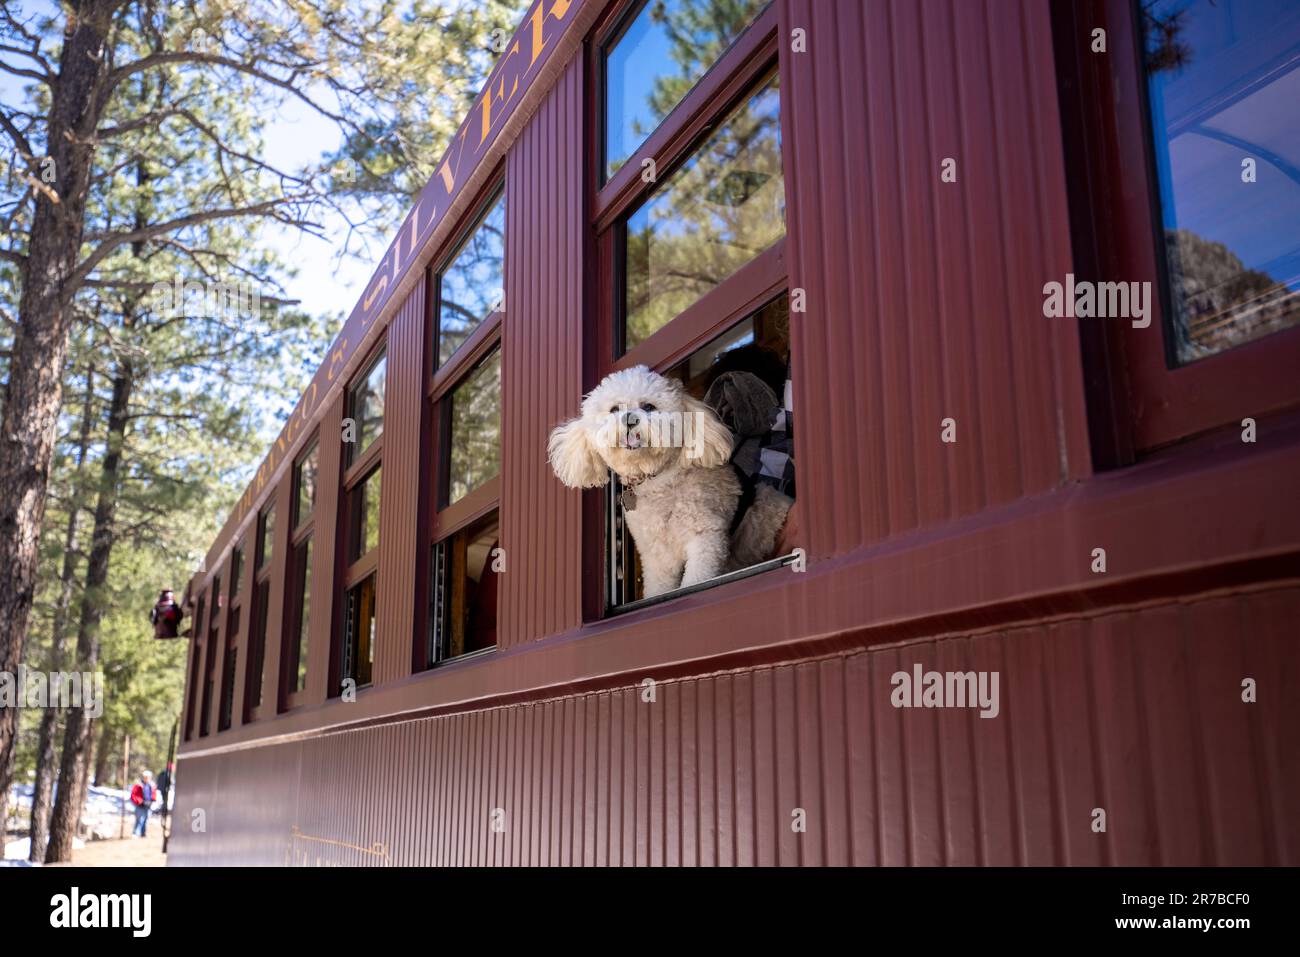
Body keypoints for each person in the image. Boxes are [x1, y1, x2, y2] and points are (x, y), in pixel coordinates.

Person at [130, 770, 158, 837]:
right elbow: (133, 796)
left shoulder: (151, 785)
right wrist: (140, 802)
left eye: (148, 777)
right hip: (140, 805)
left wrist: (152, 801)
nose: (147, 778)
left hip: (148, 805)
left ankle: (143, 833)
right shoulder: (138, 785)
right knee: (139, 819)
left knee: (145, 820)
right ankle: (136, 833)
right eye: (146, 777)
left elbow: (154, 794)